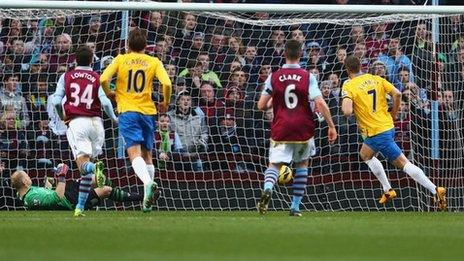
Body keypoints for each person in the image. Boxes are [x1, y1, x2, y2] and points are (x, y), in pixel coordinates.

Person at [341, 55, 447, 210]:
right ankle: (388, 190)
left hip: (377, 132)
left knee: (404, 164)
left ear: (347, 69)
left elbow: (347, 111)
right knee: (365, 154)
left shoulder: (349, 86)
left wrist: (346, 99)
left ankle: (435, 190)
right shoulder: (375, 78)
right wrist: (395, 113)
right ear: (360, 67)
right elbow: (397, 93)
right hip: (387, 126)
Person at [256, 39, 337, 217]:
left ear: (284, 54)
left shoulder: (274, 76)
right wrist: (331, 126)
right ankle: (295, 207)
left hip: (281, 126)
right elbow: (320, 102)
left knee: (275, 164)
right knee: (302, 164)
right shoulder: (308, 76)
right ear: (301, 55)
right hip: (303, 127)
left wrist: (273, 99)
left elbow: (261, 106)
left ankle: (268, 188)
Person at [100, 28, 172, 212]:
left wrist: (110, 93)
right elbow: (167, 84)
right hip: (148, 112)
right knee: (148, 155)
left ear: (128, 45)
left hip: (128, 111)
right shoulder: (153, 61)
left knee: (134, 154)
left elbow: (103, 78)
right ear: (146, 46)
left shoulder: (121, 59)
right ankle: (149, 197)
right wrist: (165, 101)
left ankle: (148, 184)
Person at [52, 45, 118, 217]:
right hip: (97, 124)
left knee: (84, 167)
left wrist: (62, 115)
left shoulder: (66, 76)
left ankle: (95, 168)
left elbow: (57, 101)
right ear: (91, 60)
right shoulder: (97, 77)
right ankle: (80, 207)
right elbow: (105, 103)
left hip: (77, 122)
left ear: (75, 60)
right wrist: (114, 119)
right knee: (87, 171)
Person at [10, 163, 144, 210]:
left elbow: (49, 195)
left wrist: (49, 185)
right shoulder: (32, 197)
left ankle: (96, 199)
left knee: (95, 178)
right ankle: (143, 198)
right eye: (27, 176)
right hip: (70, 201)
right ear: (24, 182)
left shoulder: (24, 194)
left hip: (68, 193)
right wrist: (61, 176)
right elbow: (57, 197)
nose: (29, 177)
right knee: (106, 190)